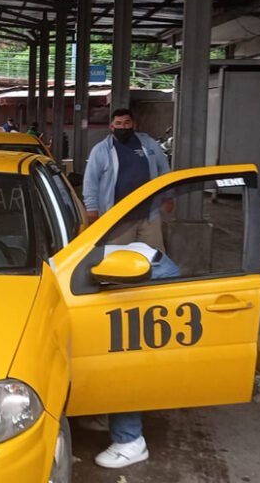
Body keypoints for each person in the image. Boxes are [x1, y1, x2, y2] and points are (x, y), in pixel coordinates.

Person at [81, 107, 172, 469]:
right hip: (116, 218)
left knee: (154, 264)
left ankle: (153, 301)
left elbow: (165, 174)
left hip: (147, 217)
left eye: (126, 124)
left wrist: (168, 197)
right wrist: (92, 210)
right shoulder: (103, 150)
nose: (122, 128)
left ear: (134, 124)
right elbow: (90, 182)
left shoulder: (148, 146)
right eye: (117, 124)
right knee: (114, 271)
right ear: (111, 127)